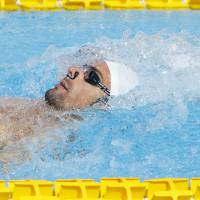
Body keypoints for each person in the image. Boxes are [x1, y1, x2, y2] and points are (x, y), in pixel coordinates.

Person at [0, 59, 139, 150]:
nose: (72, 70)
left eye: (92, 76)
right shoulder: (32, 107)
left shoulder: (49, 140)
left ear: (101, 104)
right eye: (84, 67)